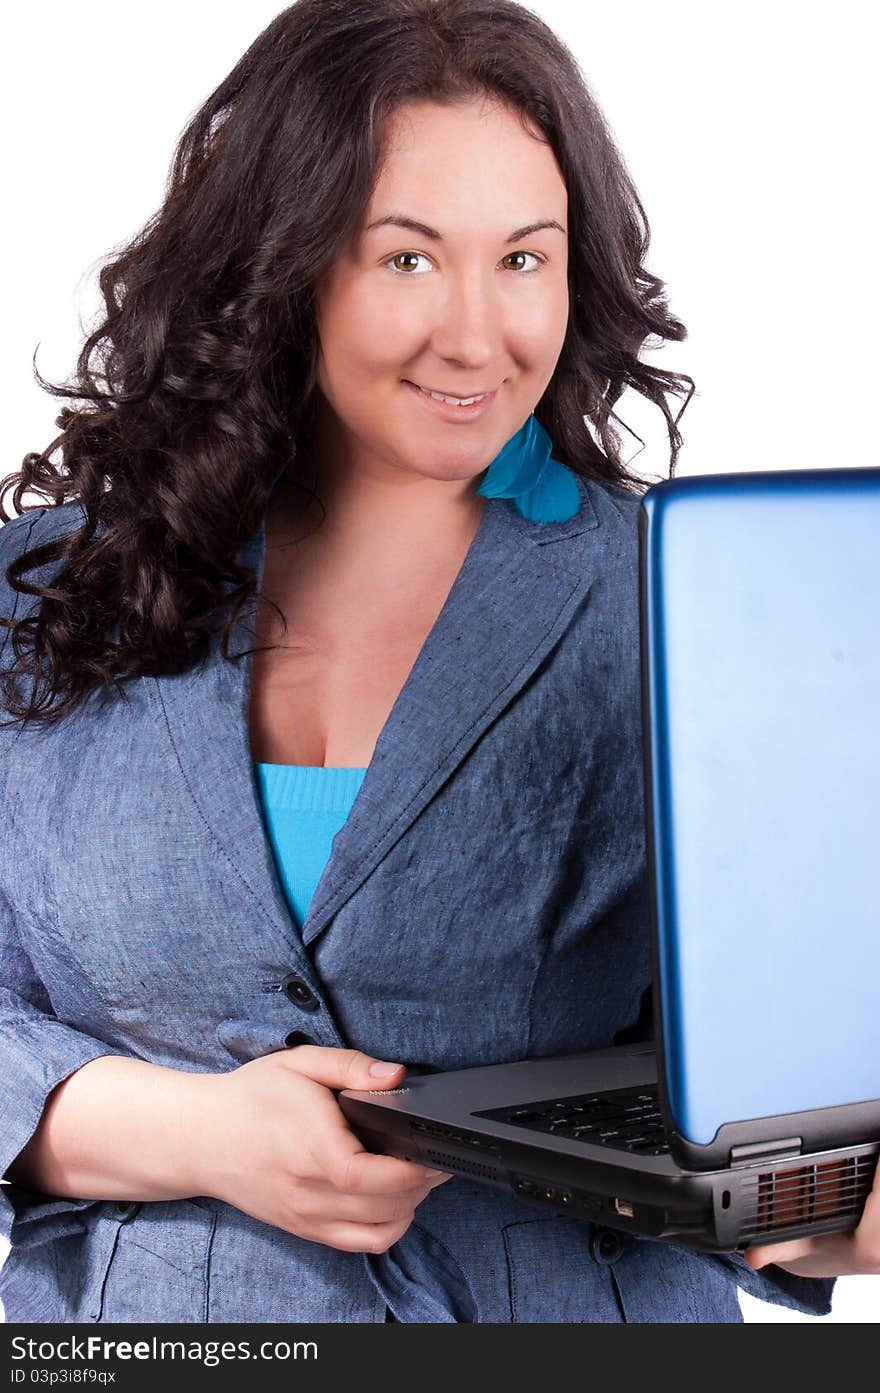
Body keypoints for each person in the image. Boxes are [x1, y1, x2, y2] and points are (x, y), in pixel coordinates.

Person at [0, 0, 873, 1325]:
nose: (477, 335)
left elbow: (773, 1062)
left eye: (525, 259)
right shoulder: (53, 593)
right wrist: (194, 1134)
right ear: (279, 263)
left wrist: (827, 1211)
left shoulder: (680, 600)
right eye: (406, 260)